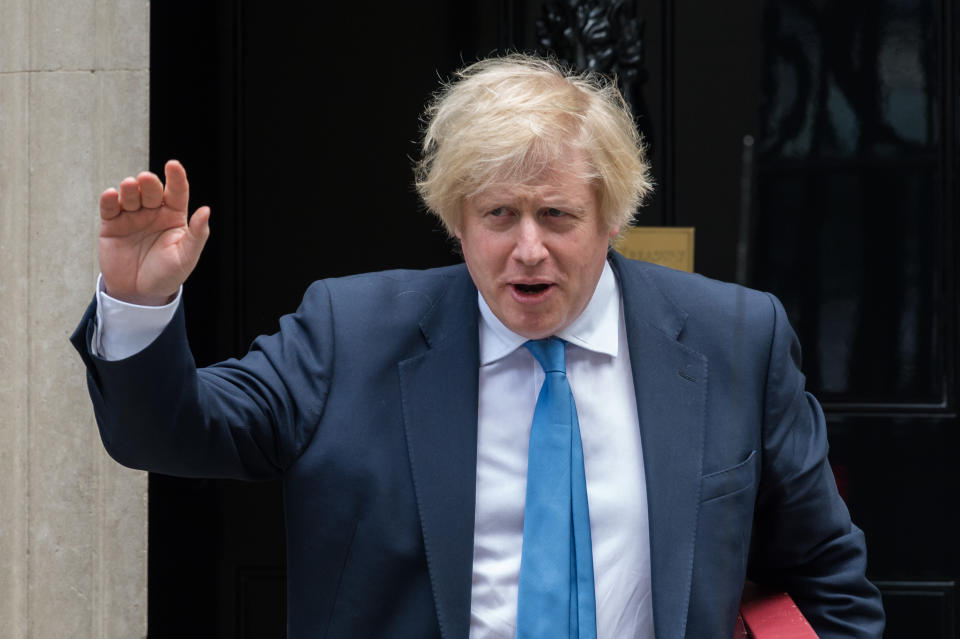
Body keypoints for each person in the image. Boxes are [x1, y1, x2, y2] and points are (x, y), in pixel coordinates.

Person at [72, 54, 884, 638]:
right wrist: (140, 301)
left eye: (557, 216)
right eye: (499, 216)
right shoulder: (349, 331)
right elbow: (170, 433)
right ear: (456, 220)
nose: (528, 248)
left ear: (611, 217)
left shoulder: (734, 338)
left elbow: (829, 585)